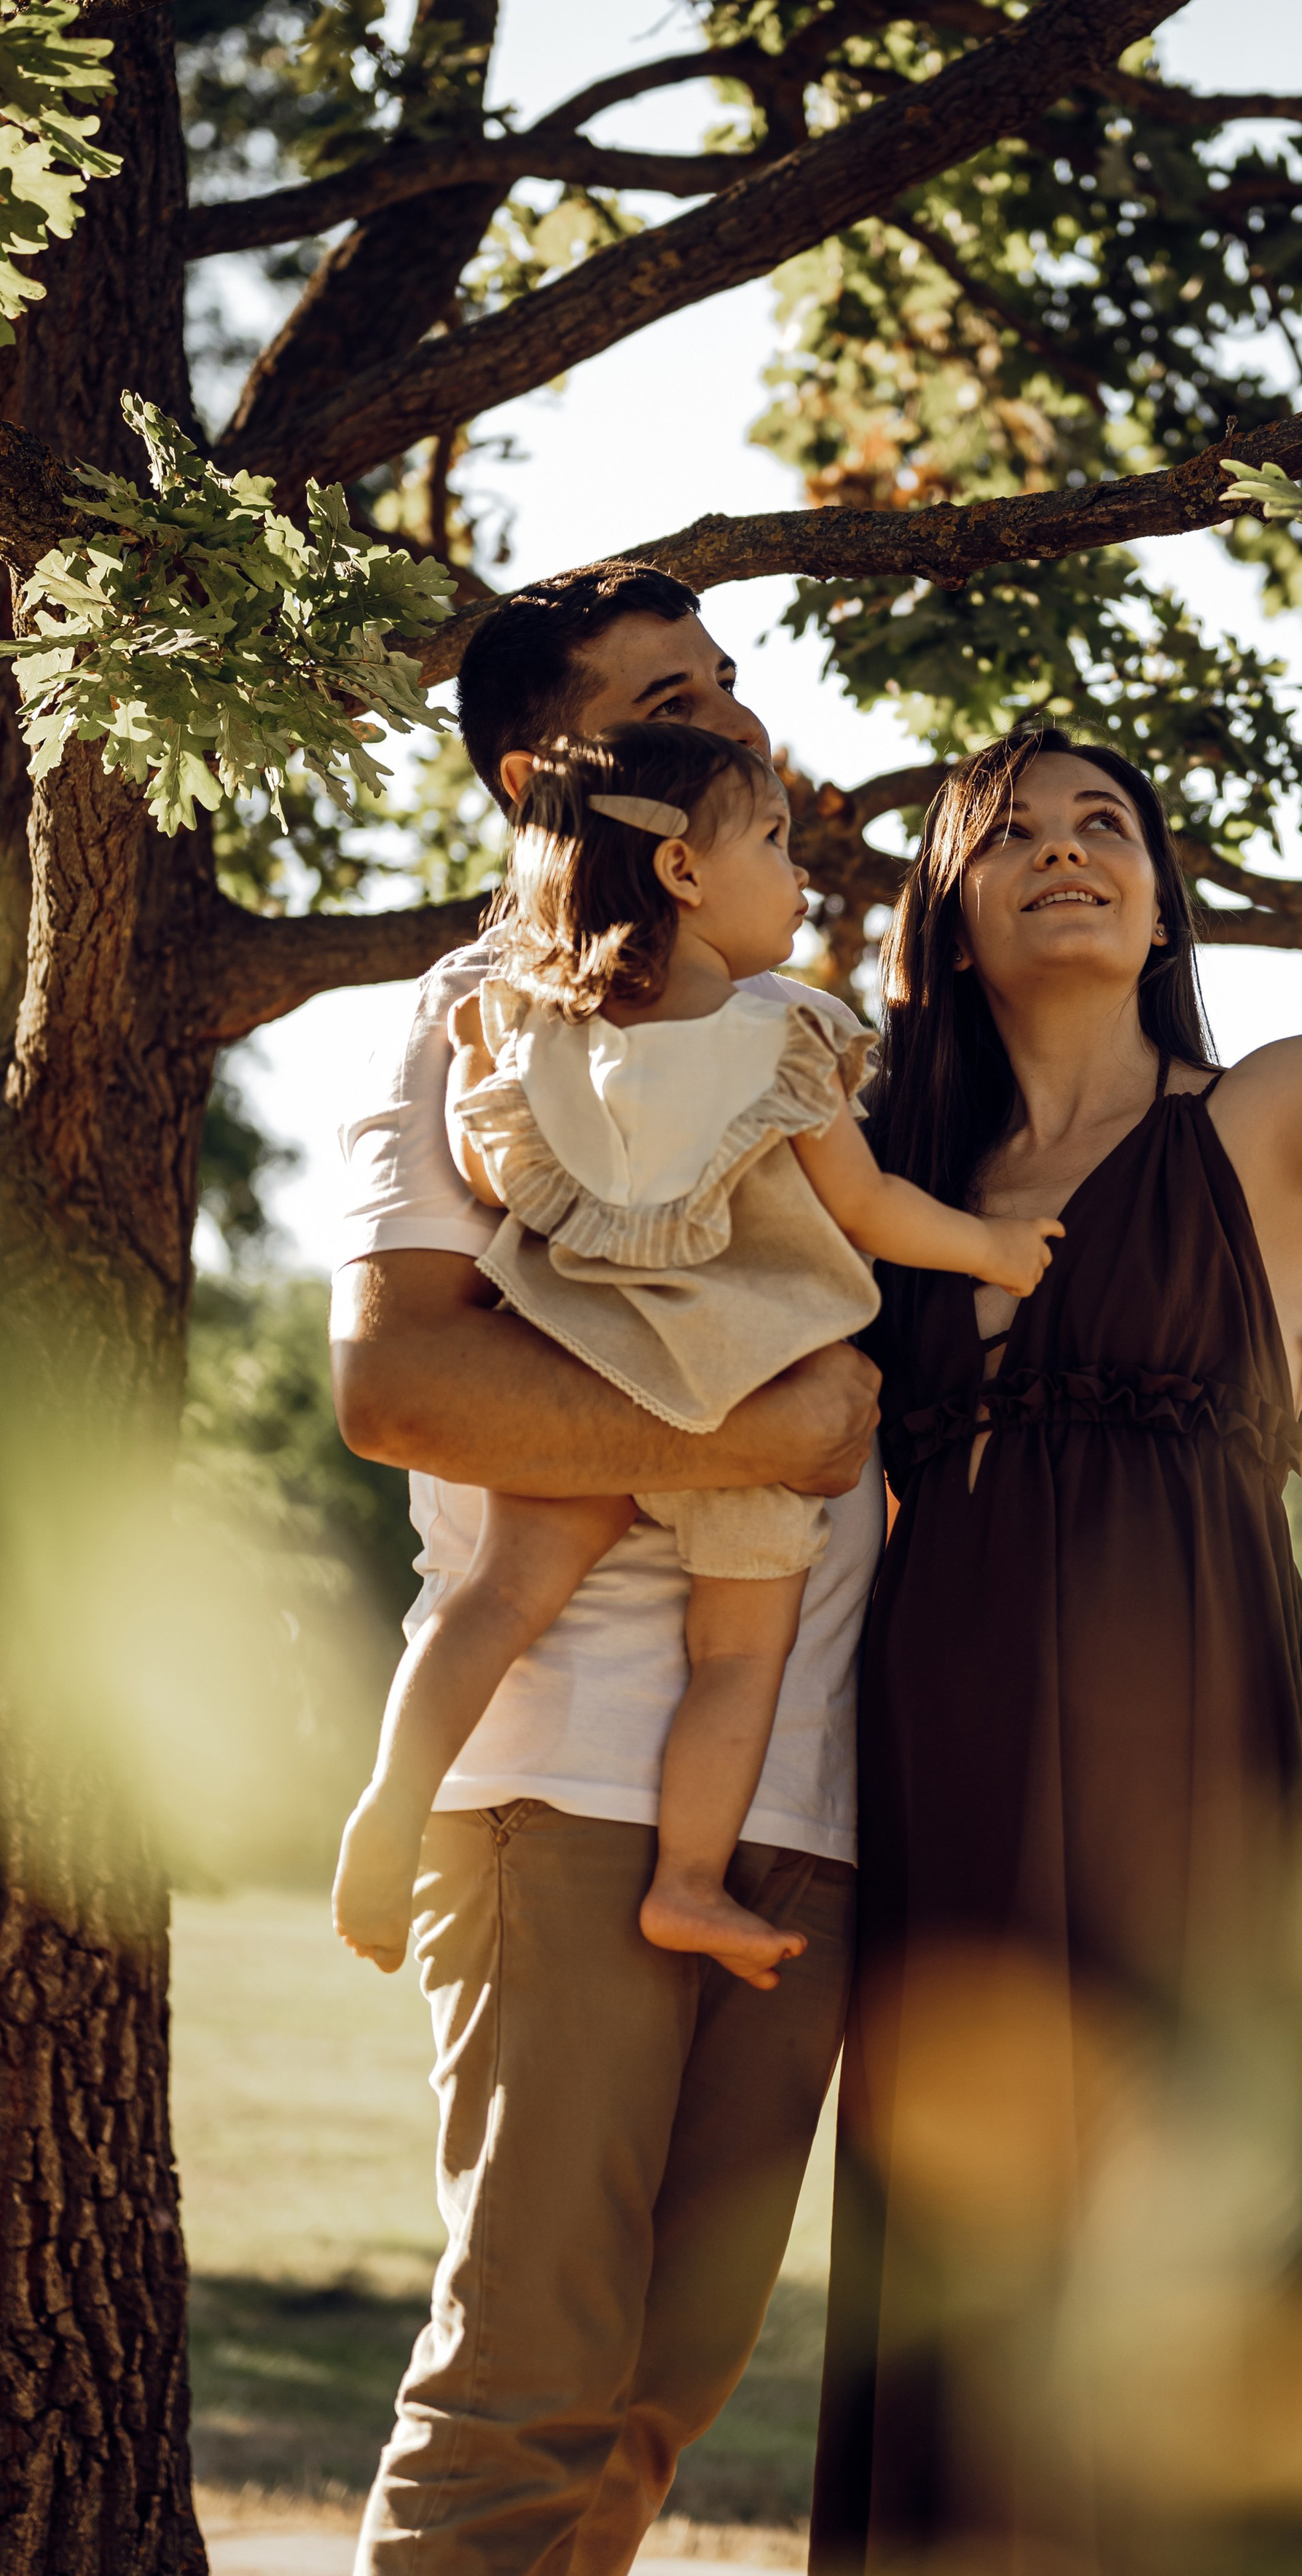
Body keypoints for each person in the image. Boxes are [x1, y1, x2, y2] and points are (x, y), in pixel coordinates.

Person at [332, 559, 1302, 2575]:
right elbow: (395, 1382)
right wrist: (760, 1434)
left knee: (654, 2399)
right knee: (525, 2382)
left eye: (734, 688)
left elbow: (896, 1274)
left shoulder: (802, 1037)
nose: (744, 725)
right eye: (677, 709)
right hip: (576, 1784)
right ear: (564, 776)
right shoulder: (483, 1019)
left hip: (807, 1798)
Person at [810, 458, 1302, 2576]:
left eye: (1110, 830)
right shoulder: (881, 1185)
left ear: (1162, 905)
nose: (1069, 854)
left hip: (1203, 1757)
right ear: (949, 914)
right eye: (1018, 833)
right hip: (953, 1765)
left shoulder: (1262, 1128)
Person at [332, 717, 1061, 1990]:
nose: (800, 869)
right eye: (775, 840)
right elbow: (873, 1211)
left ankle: (393, 1800)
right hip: (758, 1378)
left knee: (496, 1598)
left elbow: (491, 1162)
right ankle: (687, 1880)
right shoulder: (791, 1042)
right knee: (743, 1657)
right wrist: (997, 1252)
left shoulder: (518, 1025)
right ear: (681, 872)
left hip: (586, 1370)